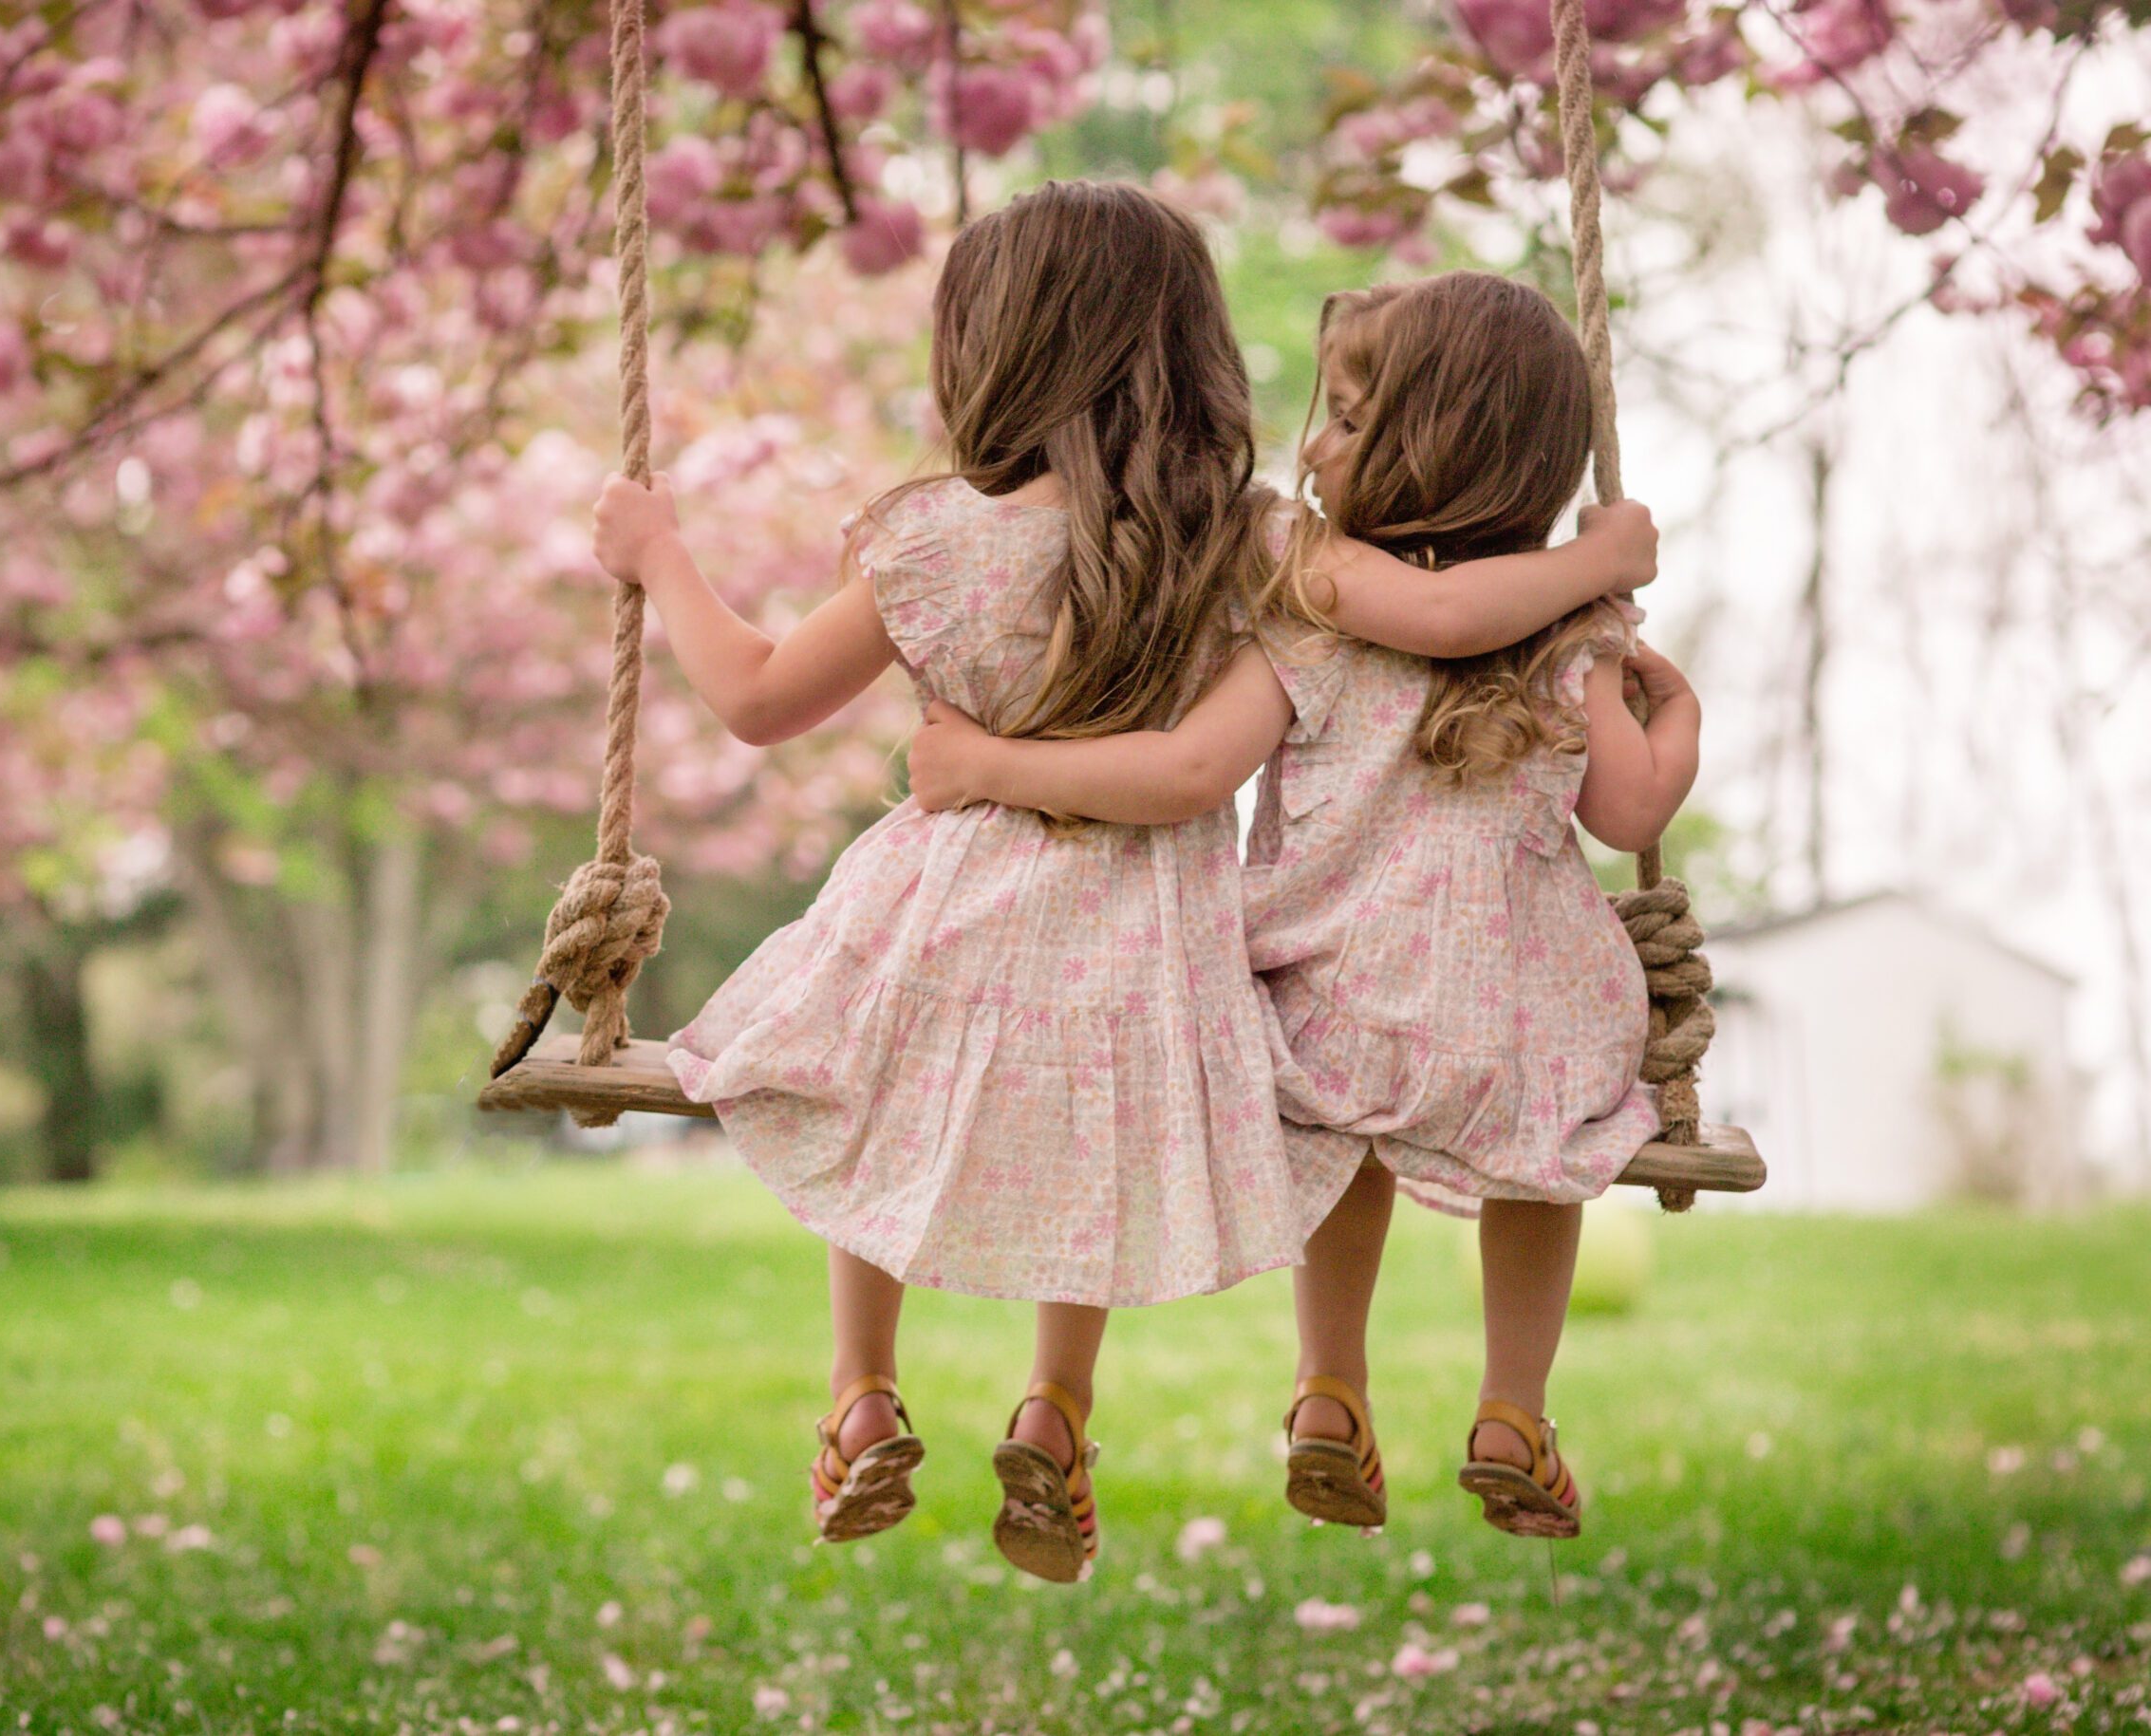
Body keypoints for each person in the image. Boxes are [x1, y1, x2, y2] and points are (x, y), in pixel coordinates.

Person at [592, 198, 1657, 1578]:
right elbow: (1444, 619)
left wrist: (658, 554)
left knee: (868, 1098)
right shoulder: (1244, 541)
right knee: (1083, 1142)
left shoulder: (924, 540)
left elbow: (751, 696)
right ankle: (1059, 1404)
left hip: (945, 895)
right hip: (1132, 919)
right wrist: (1599, 567)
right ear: (1192, 354)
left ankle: (862, 1385)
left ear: (991, 352)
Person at [905, 271, 1701, 1542]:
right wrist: (1673, 705)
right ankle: (1512, 1409)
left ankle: (1330, 1385)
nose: (1312, 444)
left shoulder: (1309, 609)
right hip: (1512, 1026)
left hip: (1318, 1013)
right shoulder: (1573, 634)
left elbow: (1185, 774)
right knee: (1550, 1156)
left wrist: (993, 768)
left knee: (1345, 1141)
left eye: (1342, 414)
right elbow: (1632, 814)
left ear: (1432, 437)